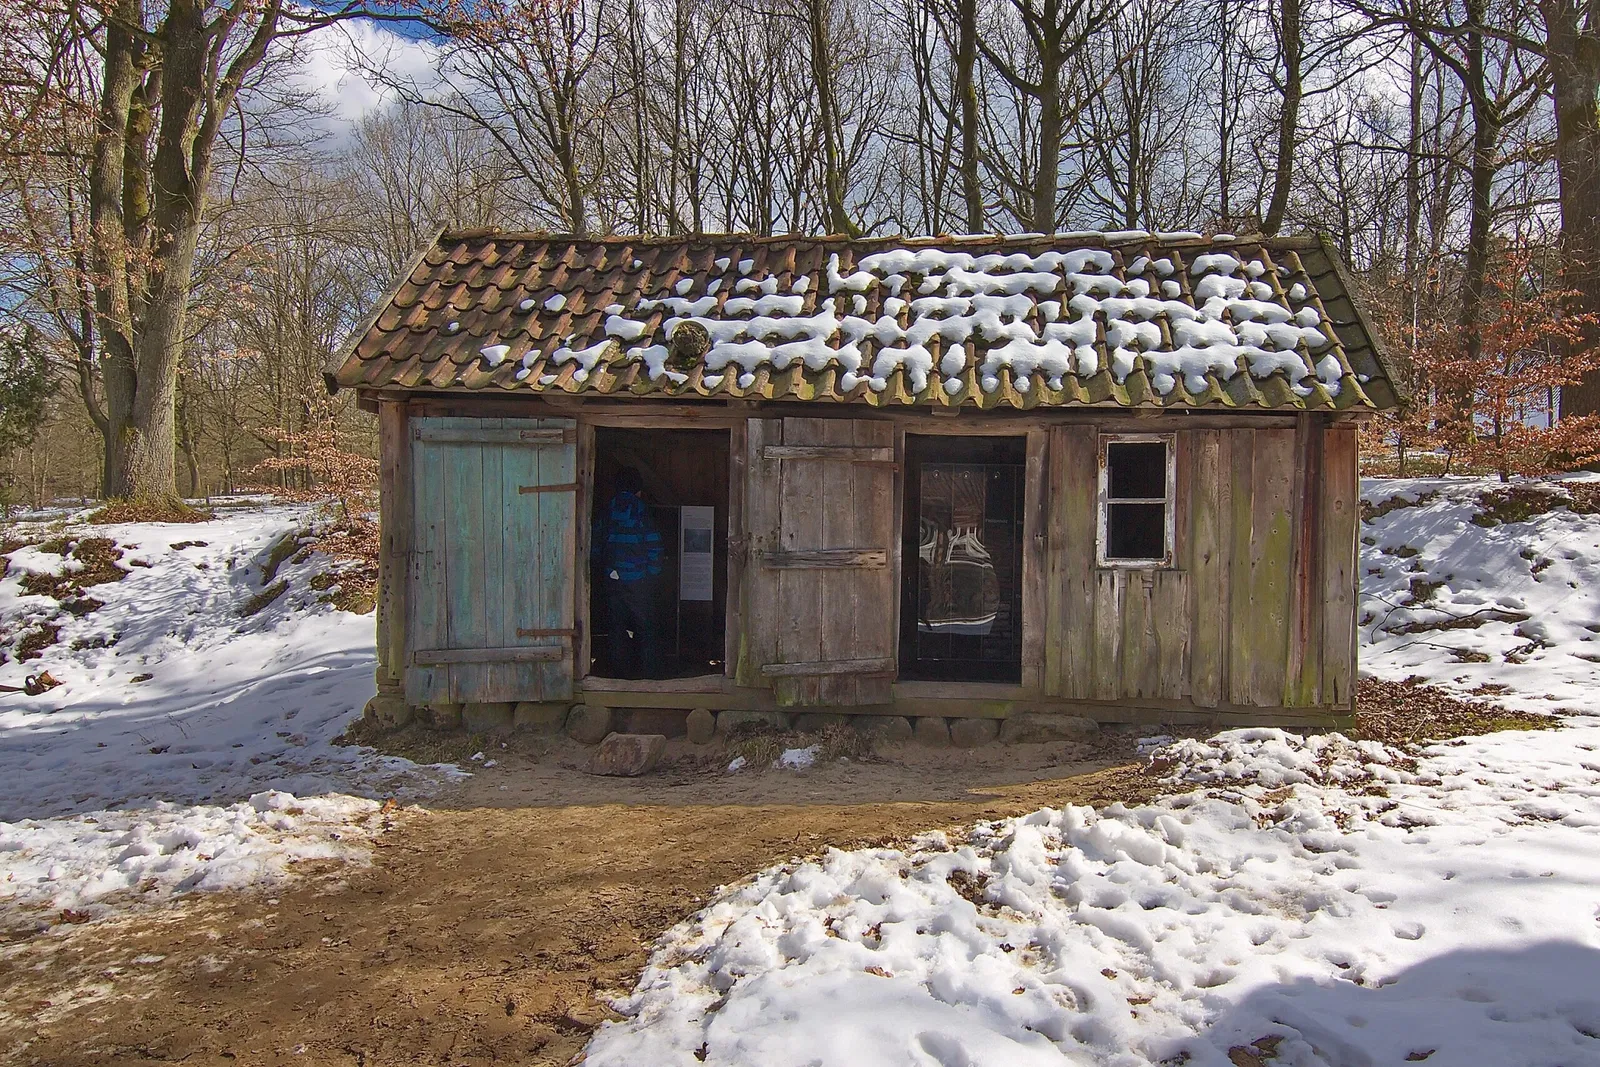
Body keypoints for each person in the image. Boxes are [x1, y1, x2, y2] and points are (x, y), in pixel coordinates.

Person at [597, 467, 664, 677]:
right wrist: (652, 574)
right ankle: (648, 676)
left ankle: (620, 675)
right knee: (646, 628)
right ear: (639, 490)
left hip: (613, 578)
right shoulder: (641, 511)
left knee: (617, 628)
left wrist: (604, 570)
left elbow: (596, 544)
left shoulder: (608, 510)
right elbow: (654, 545)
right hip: (638, 580)